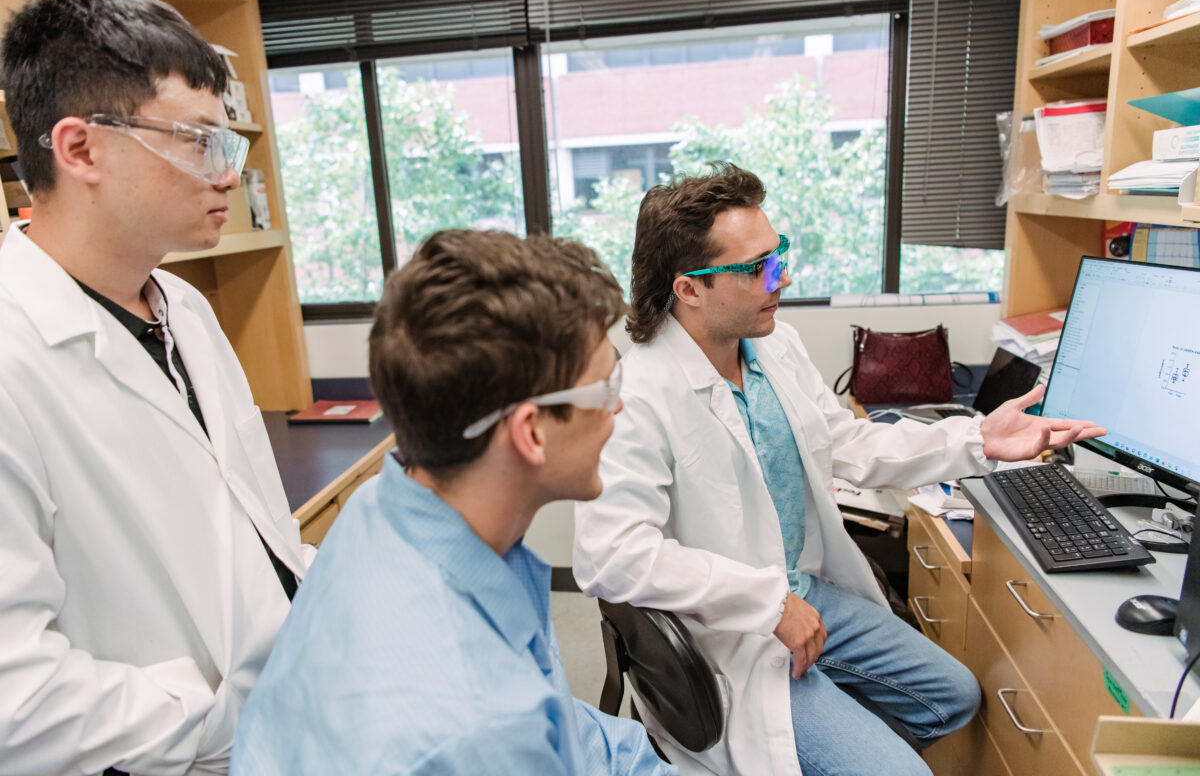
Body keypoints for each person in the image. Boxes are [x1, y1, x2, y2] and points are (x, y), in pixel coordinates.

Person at [572, 162, 1106, 776]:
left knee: (954, 696)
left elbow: (846, 443)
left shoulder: (774, 345)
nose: (783, 277)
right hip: (727, 633)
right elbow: (612, 555)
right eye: (756, 268)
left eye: (779, 255)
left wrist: (977, 439)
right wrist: (768, 605)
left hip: (806, 589)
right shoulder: (638, 392)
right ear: (689, 288)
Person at [0, 0, 312, 775]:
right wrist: (214, 722)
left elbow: (246, 529)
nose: (228, 176)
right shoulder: (12, 355)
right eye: (197, 141)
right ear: (80, 149)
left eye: (229, 145)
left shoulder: (188, 311)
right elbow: (15, 696)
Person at [232, 229, 674, 775]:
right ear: (531, 432)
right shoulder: (475, 726)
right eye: (606, 389)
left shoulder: (380, 507)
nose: (620, 408)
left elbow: (562, 722)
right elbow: (512, 727)